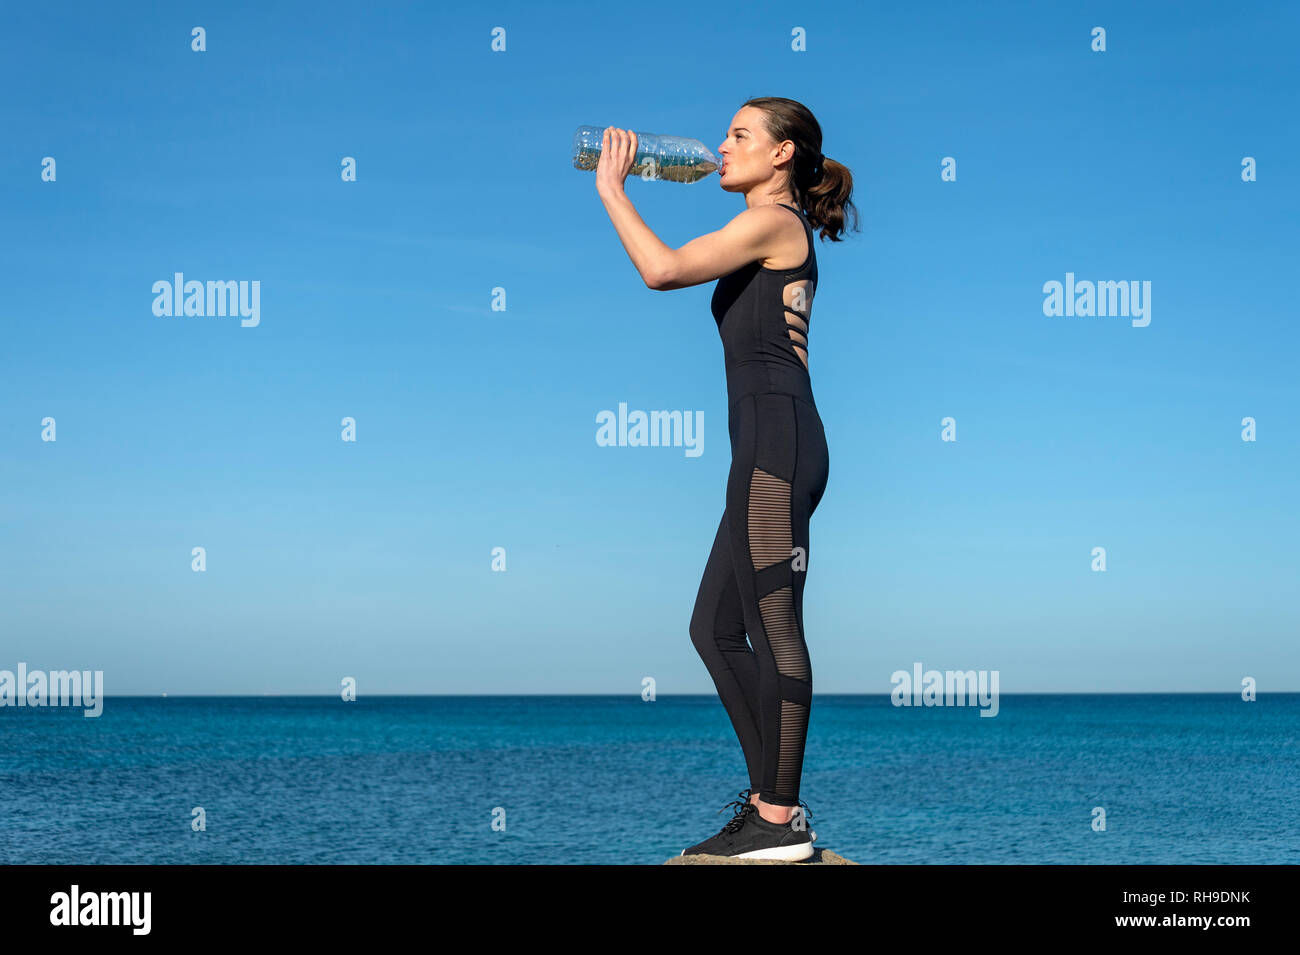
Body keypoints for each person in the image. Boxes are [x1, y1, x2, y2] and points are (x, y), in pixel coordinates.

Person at [596, 97, 858, 860]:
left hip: (778, 441)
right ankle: (767, 805)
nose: (720, 146)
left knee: (775, 628)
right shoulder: (763, 227)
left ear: (781, 155)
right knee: (713, 627)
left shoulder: (775, 222)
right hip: (765, 443)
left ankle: (778, 819)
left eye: (739, 135)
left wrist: (615, 188)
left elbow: (663, 269)